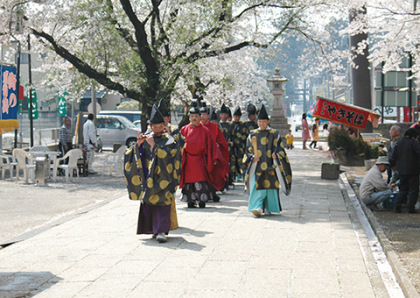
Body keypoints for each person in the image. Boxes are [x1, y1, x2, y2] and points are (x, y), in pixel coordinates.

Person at [124, 105, 181, 243]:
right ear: (150, 126)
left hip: (164, 177)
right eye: (154, 127)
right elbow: (133, 156)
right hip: (149, 178)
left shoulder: (168, 139)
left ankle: (161, 230)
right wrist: (138, 146)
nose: (157, 129)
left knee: (163, 202)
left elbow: (171, 155)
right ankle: (152, 229)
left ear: (164, 126)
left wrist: (154, 146)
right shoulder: (146, 138)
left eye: (160, 126)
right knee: (150, 203)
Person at [242, 104, 292, 217]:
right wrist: (251, 157)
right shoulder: (253, 134)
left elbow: (280, 148)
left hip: (271, 165)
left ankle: (269, 207)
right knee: (258, 187)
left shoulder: (274, 134)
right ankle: (258, 207)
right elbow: (248, 149)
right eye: (260, 122)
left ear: (268, 121)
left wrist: (277, 155)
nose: (262, 124)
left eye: (264, 121)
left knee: (271, 187)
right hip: (258, 165)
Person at [180, 106, 223, 208]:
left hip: (201, 160)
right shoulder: (184, 130)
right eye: (192, 116)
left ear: (200, 117)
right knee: (189, 181)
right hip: (188, 160)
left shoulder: (205, 130)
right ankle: (190, 200)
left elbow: (211, 145)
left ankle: (202, 200)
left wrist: (214, 158)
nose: (194, 118)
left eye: (196, 116)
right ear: (189, 118)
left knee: (201, 179)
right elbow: (179, 146)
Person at [200, 105, 229, 202]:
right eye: (201, 115)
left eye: (204, 115)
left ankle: (212, 193)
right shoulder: (196, 127)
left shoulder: (214, 127)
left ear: (208, 116)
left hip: (212, 155)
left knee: (211, 174)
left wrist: (217, 147)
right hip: (199, 155)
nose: (202, 117)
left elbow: (222, 142)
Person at [391, 128, 420, 213]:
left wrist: (396, 166)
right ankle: (411, 208)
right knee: (413, 190)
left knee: (403, 189)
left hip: (402, 170)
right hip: (413, 170)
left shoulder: (398, 143)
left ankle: (397, 206)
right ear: (413, 136)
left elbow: (393, 157)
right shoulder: (414, 143)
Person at [219, 103, 235, 191]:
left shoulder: (231, 125)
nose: (224, 116)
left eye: (225, 114)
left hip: (230, 148)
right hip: (221, 148)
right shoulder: (218, 125)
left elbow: (234, 136)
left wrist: (232, 142)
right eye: (222, 114)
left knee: (230, 164)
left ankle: (230, 180)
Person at [231, 106, 247, 179]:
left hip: (241, 145)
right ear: (233, 116)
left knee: (241, 159)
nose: (237, 118)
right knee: (233, 160)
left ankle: (242, 173)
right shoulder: (231, 124)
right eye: (236, 116)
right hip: (233, 145)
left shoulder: (243, 124)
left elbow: (246, 134)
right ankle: (234, 174)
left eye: (238, 116)